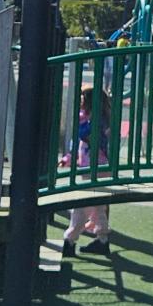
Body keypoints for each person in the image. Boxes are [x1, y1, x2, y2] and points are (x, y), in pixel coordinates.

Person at [62, 88, 110, 257]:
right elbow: (78, 144)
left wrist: (82, 122)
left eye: (83, 98)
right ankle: (102, 239)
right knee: (97, 207)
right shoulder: (98, 119)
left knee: (81, 206)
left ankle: (70, 239)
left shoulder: (95, 121)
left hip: (94, 168)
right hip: (96, 167)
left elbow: (86, 137)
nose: (80, 101)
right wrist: (68, 158)